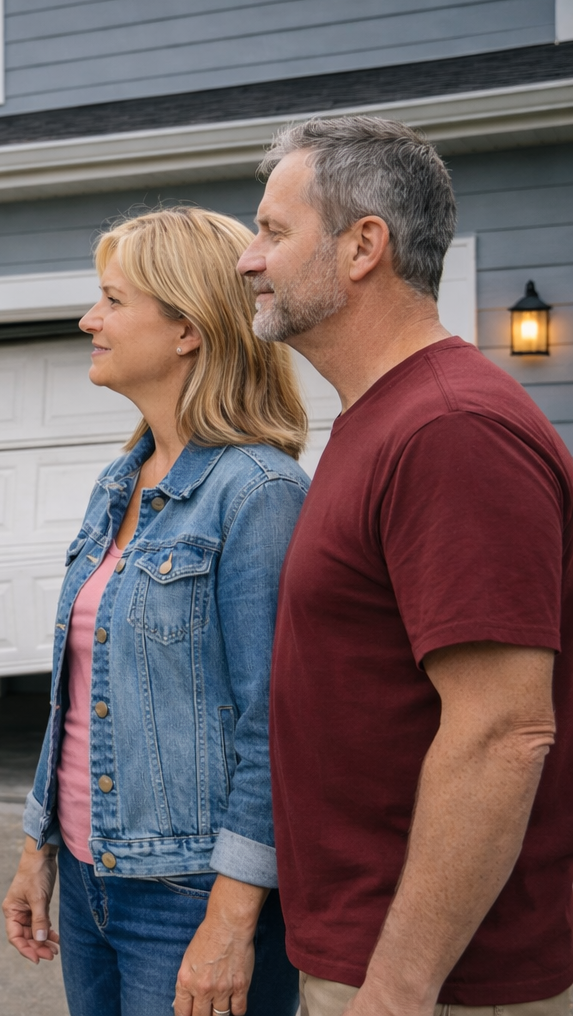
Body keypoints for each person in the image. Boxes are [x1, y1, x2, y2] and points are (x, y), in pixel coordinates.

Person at [239, 115, 573, 1016]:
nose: (248, 259)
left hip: (442, 981)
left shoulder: (450, 430)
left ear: (363, 247)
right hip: (376, 955)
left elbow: (504, 731)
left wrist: (395, 989)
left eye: (273, 231)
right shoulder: (382, 420)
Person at [2, 206, 308, 1016]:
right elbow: (77, 689)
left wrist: (231, 920)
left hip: (189, 893)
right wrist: (40, 847)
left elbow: (275, 728)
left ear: (187, 329)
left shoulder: (259, 494)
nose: (88, 319)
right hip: (89, 873)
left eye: (111, 299)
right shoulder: (119, 483)